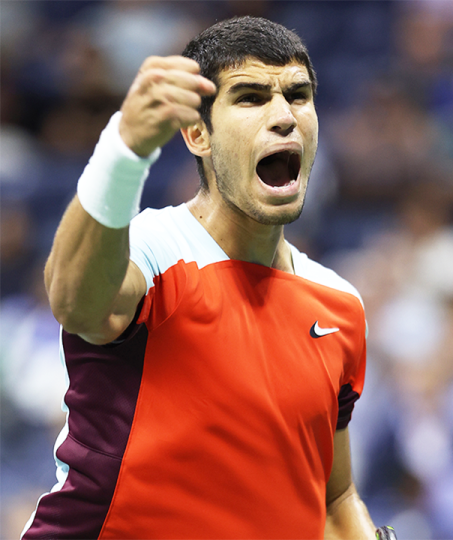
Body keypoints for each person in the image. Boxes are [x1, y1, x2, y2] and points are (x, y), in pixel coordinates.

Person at [26, 16, 395, 539]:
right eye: (250, 97)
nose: (284, 116)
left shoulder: (340, 306)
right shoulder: (152, 251)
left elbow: (333, 496)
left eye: (298, 94)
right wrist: (124, 149)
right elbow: (76, 302)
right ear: (198, 133)